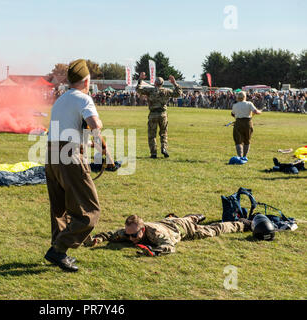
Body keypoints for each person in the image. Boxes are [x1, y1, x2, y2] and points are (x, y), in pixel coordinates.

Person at [44, 59, 106, 272]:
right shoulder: (84, 98)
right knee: (90, 210)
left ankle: (58, 249)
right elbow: (95, 125)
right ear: (86, 80)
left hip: (51, 154)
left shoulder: (60, 100)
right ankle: (58, 251)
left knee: (59, 209)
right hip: (69, 155)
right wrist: (102, 149)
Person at [84, 214, 251, 256]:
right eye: (128, 236)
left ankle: (243, 223)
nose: (130, 239)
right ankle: (194, 216)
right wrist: (97, 239)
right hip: (167, 221)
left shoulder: (156, 234)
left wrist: (153, 251)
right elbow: (112, 234)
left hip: (183, 229)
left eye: (133, 235)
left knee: (213, 230)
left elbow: (169, 247)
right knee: (187, 218)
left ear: (142, 230)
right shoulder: (129, 232)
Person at [136, 72, 182, 158]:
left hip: (153, 114)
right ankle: (164, 148)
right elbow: (178, 93)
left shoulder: (150, 90)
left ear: (155, 83)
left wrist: (140, 79)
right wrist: (174, 83)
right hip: (163, 114)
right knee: (163, 133)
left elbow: (138, 90)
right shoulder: (166, 91)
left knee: (152, 135)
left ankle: (153, 153)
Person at [231, 91, 262, 161]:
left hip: (238, 122)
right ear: (245, 97)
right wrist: (260, 111)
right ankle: (244, 156)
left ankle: (239, 156)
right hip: (248, 123)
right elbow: (256, 112)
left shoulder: (235, 105)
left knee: (238, 140)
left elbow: (232, 114)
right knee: (247, 140)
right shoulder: (249, 103)